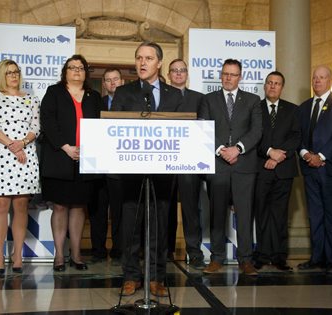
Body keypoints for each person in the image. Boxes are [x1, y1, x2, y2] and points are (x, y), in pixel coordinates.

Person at [111, 41, 182, 297]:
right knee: (131, 223)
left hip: (163, 171)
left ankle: (156, 277)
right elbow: (113, 129)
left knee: (160, 224)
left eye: (148, 58)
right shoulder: (123, 92)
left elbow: (182, 132)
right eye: (139, 58)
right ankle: (131, 276)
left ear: (159, 62)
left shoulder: (175, 95)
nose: (142, 63)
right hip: (131, 170)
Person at [198, 58, 262, 276]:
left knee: (244, 214)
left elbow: (256, 131)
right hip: (218, 164)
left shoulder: (253, 100)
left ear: (240, 77)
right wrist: (221, 150)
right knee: (217, 213)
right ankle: (216, 259)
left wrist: (238, 149)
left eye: (233, 74)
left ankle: (245, 260)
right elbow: (204, 127)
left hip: (244, 165)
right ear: (221, 75)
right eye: (225, 73)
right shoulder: (208, 99)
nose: (228, 78)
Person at [40, 55, 102, 272]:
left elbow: (101, 126)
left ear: (86, 73)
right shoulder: (54, 92)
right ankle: (59, 255)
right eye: (72, 67)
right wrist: (65, 147)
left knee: (78, 206)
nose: (77, 71)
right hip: (59, 157)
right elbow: (47, 121)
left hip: (86, 159)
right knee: (59, 206)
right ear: (65, 72)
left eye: (81, 68)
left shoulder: (94, 96)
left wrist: (88, 149)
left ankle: (76, 254)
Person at [0, 59, 40, 275]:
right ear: (2, 75)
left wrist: (22, 144)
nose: (14, 76)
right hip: (1, 154)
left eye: (16, 72)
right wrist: (12, 145)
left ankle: (17, 255)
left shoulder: (32, 100)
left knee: (21, 207)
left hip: (25, 156)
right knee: (1, 206)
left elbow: (35, 127)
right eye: (9, 73)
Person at [297, 65, 332, 275]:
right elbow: (298, 136)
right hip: (309, 169)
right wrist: (305, 154)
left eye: (322, 78)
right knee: (315, 215)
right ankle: (316, 258)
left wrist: (320, 156)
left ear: (330, 80)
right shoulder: (303, 107)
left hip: (331, 169)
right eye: (315, 78)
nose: (317, 81)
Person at [253, 71, 300, 271]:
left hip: (284, 170)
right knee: (262, 213)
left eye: (277, 83)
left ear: (282, 87)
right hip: (261, 168)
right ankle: (262, 255)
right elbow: (254, 135)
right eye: (270, 83)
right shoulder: (255, 108)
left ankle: (280, 256)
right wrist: (270, 152)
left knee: (280, 215)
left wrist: (281, 155)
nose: (273, 86)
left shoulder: (293, 110)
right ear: (265, 86)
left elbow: (296, 137)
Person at [166, 58, 206, 268]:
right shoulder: (160, 96)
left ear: (187, 74)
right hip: (165, 161)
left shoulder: (200, 99)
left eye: (182, 70)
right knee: (166, 208)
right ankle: (165, 250)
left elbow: (206, 128)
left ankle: (194, 252)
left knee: (191, 209)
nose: (179, 74)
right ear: (169, 74)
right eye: (174, 71)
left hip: (190, 162)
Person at [89, 68, 125, 263]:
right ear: (104, 84)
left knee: (119, 212)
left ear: (122, 82)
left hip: (120, 168)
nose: (112, 83)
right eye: (108, 80)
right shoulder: (96, 104)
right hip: (98, 167)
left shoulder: (130, 105)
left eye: (116, 79)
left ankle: (119, 249)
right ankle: (98, 250)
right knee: (98, 212)